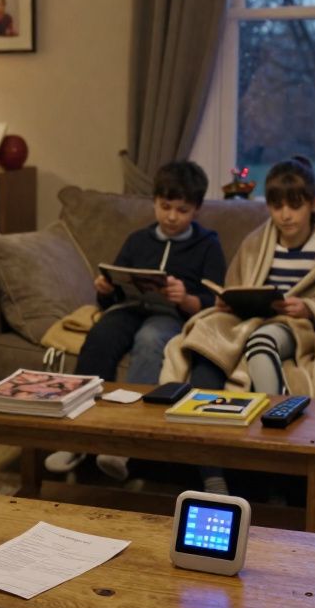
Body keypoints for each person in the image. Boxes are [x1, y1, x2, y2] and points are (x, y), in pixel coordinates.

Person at [160, 156, 315, 494]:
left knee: (262, 342)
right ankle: (210, 472)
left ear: (314, 204)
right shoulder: (258, 242)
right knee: (203, 340)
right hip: (250, 318)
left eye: (294, 206)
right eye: (276, 206)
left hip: (298, 325)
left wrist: (309, 308)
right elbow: (238, 282)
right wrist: (230, 301)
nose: (285, 215)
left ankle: (278, 459)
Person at [44, 161, 226, 480]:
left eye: (181, 210)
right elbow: (113, 291)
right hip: (129, 308)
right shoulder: (138, 240)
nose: (171, 216)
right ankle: (77, 436)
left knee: (150, 339)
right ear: (154, 202)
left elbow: (215, 301)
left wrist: (185, 299)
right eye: (165, 206)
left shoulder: (208, 244)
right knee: (101, 335)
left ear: (196, 210)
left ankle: (124, 443)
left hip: (171, 316)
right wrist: (105, 288)